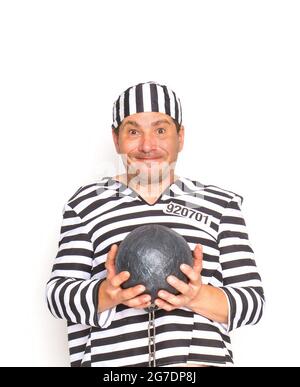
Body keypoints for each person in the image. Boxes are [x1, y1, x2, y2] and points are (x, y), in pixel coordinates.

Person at [46, 81, 265, 367]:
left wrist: (196, 296)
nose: (147, 145)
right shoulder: (86, 205)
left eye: (160, 130)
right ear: (116, 139)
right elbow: (57, 294)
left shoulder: (221, 205)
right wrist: (107, 293)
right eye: (133, 131)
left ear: (180, 137)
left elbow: (253, 302)